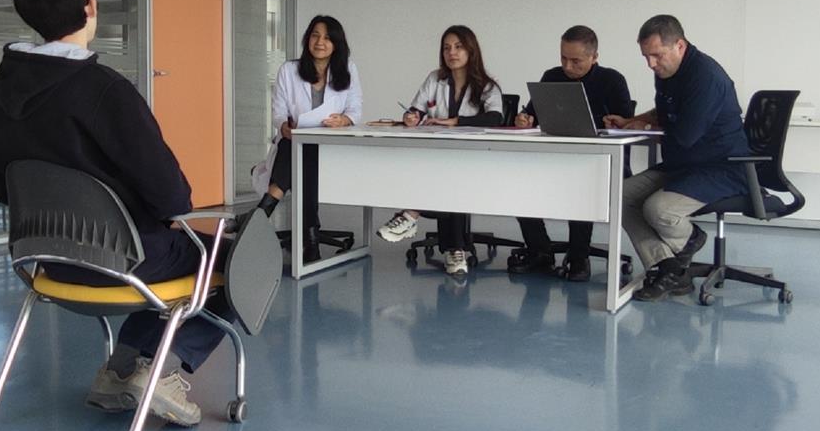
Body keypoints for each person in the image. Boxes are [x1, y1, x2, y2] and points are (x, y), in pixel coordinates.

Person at [0, 0, 227, 427]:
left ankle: (120, 371)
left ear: (26, 12)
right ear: (90, 5)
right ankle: (157, 371)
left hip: (47, 262)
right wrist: (165, 216)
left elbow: (4, 189)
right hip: (124, 263)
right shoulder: (103, 90)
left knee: (177, 253)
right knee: (232, 259)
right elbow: (173, 197)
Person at [603, 14, 750, 302]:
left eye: (656, 55)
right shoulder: (667, 72)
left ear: (679, 46)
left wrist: (645, 128)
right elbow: (663, 113)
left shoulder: (706, 77)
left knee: (658, 209)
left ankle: (690, 239)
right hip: (684, 165)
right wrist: (630, 121)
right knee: (619, 196)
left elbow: (685, 135)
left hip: (721, 168)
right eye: (646, 57)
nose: (651, 64)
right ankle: (668, 268)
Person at [376, 25, 503, 276]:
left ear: (471, 51)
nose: (451, 52)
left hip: (474, 158)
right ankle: (454, 250)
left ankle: (412, 213)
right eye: (446, 48)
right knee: (445, 173)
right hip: (437, 155)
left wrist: (456, 121)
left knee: (449, 173)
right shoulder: (435, 79)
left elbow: (496, 118)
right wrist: (411, 117)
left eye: (458, 47)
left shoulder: (486, 86)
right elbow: (416, 108)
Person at [509, 25, 633, 280]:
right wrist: (525, 119)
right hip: (556, 159)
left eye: (576, 61)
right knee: (518, 183)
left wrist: (613, 123)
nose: (567, 66)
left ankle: (579, 256)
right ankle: (539, 250)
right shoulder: (551, 77)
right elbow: (533, 113)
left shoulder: (612, 80)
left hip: (600, 162)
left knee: (581, 184)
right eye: (563, 58)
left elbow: (627, 125)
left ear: (594, 57)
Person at [252, 15, 363, 262]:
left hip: (330, 145)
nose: (320, 42)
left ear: (336, 43)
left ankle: (260, 214)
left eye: (327, 37)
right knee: (299, 149)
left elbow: (356, 109)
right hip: (295, 140)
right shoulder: (289, 70)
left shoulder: (348, 69)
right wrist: (283, 126)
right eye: (315, 35)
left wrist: (344, 120)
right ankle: (310, 238)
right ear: (307, 39)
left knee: (304, 152)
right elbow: (278, 111)